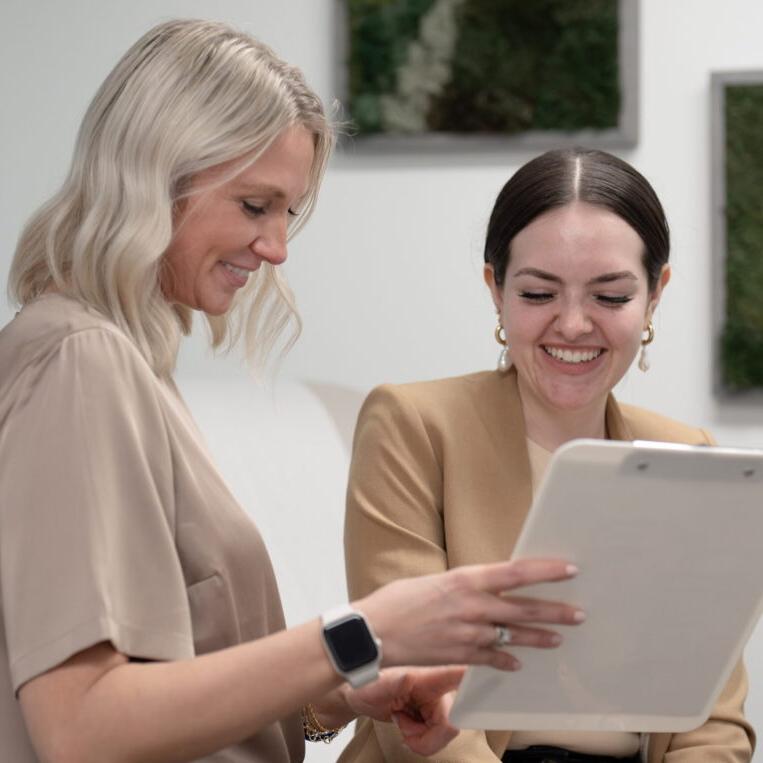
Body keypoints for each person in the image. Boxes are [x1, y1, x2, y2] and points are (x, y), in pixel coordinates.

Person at [0, 18, 591, 763]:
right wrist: (363, 630)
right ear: (152, 175)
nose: (277, 247)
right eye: (254, 205)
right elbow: (82, 727)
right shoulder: (76, 360)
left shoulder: (125, 366)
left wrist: (340, 686)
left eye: (288, 212)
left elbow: (179, 689)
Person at [341, 149, 756, 763]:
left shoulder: (685, 454)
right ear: (496, 288)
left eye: (610, 297)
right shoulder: (414, 426)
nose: (572, 324)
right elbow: (418, 704)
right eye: (538, 293)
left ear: (655, 295)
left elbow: (713, 724)